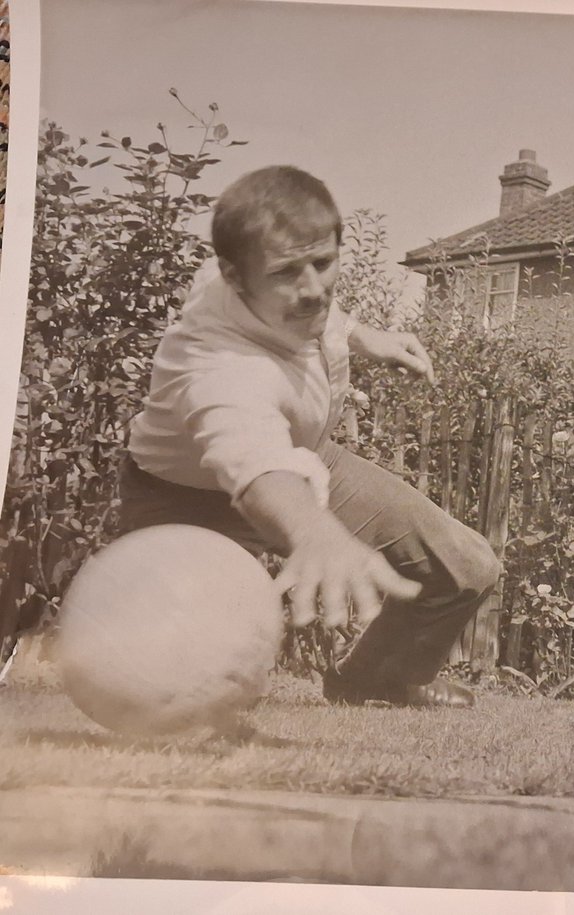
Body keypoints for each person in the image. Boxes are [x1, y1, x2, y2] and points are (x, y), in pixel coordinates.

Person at [119, 165, 501, 708]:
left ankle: (377, 679)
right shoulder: (218, 364)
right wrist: (315, 533)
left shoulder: (264, 274)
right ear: (232, 276)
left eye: (324, 262)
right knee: (188, 692)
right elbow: (255, 464)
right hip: (185, 501)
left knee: (467, 567)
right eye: (287, 273)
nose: (313, 288)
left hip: (310, 458)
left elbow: (323, 309)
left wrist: (370, 336)